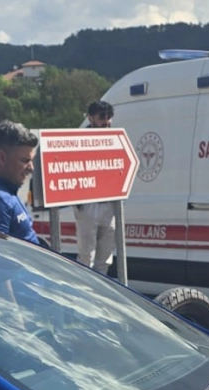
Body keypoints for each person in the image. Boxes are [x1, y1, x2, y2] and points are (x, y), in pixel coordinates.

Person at [73, 100, 119, 274]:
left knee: (105, 259)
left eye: (109, 117)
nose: (106, 121)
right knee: (86, 257)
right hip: (88, 205)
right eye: (101, 116)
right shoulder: (78, 141)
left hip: (109, 204)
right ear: (90, 118)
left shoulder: (116, 141)